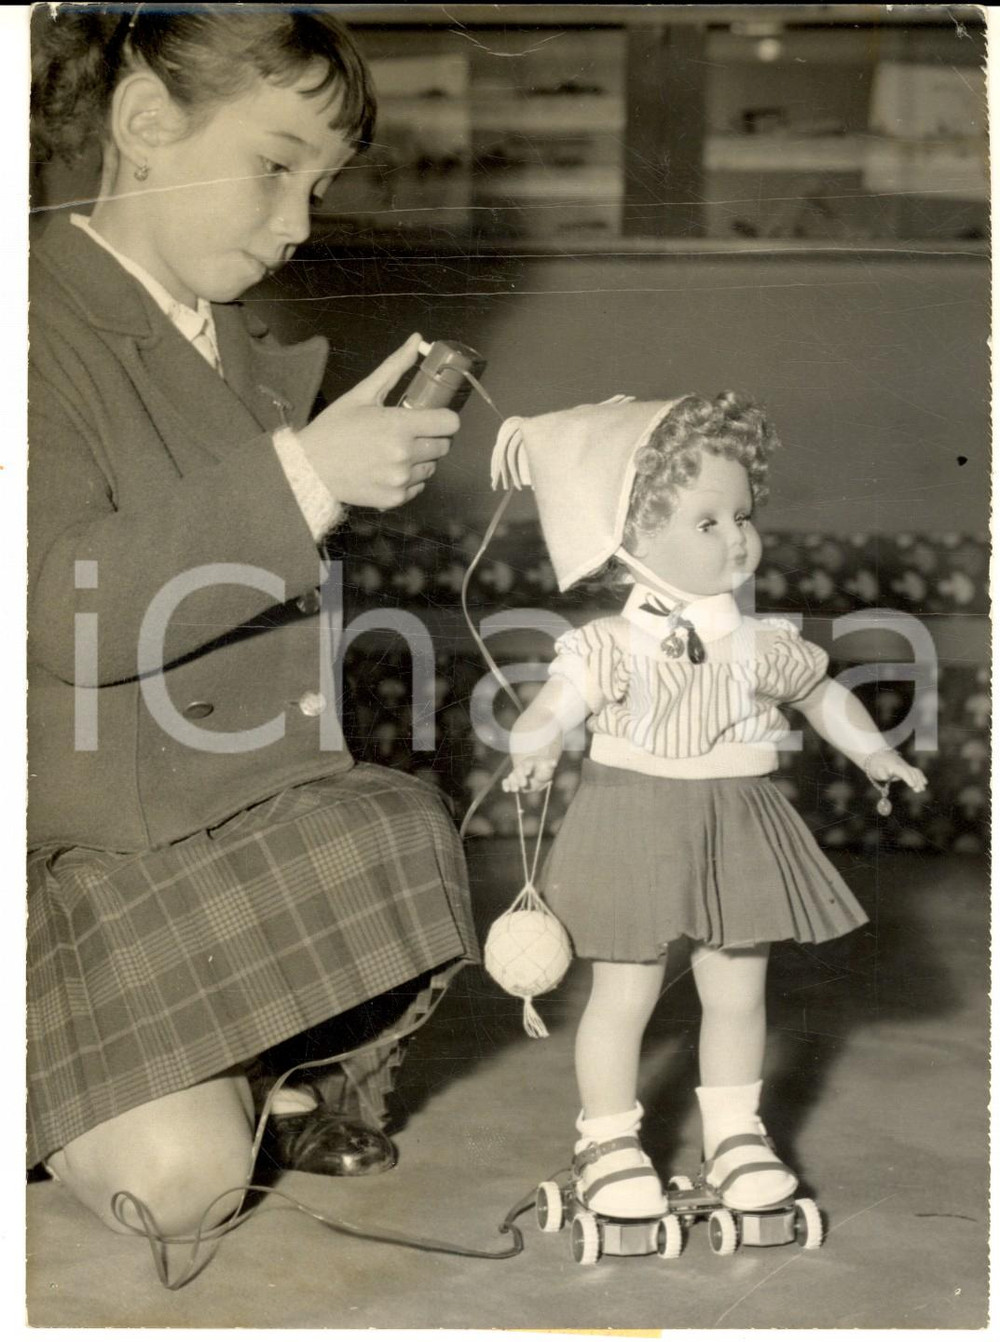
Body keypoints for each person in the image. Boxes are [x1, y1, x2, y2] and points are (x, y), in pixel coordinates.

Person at [28, 5, 478, 1238]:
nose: (298, 224)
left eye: (321, 185)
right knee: (185, 1189)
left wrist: (314, 462)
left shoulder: (242, 347)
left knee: (399, 831)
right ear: (143, 125)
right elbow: (69, 607)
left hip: (212, 822)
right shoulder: (31, 321)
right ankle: (185, 1074)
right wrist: (306, 477)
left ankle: (213, 1069)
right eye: (276, 166)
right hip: (79, 854)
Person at [494, 392, 927, 1218]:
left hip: (738, 820)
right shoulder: (607, 646)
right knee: (624, 994)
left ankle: (736, 1132)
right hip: (633, 820)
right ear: (630, 539)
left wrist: (875, 750)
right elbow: (552, 705)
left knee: (737, 991)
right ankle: (610, 1138)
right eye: (708, 523)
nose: (739, 539)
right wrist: (537, 741)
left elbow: (826, 693)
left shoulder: (766, 645)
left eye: (744, 516)